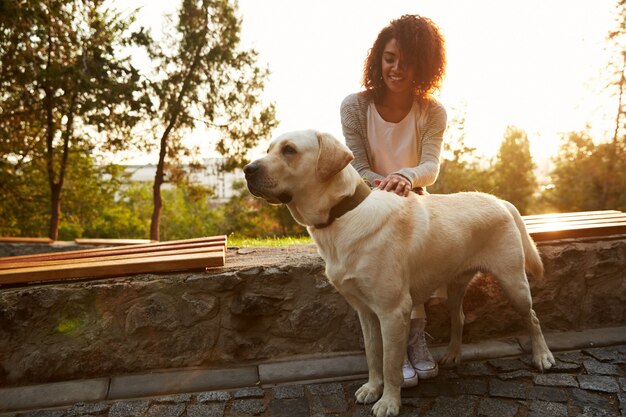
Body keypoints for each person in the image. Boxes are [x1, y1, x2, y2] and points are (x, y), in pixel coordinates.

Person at [340, 14, 447, 388]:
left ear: (424, 65)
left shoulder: (433, 111)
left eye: (406, 60)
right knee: (386, 271)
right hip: (367, 205)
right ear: (377, 59)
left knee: (418, 259)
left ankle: (415, 340)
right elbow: (356, 166)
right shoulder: (354, 106)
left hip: (414, 203)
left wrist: (407, 177)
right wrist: (385, 183)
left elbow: (430, 167)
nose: (396, 68)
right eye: (389, 58)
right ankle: (395, 349)